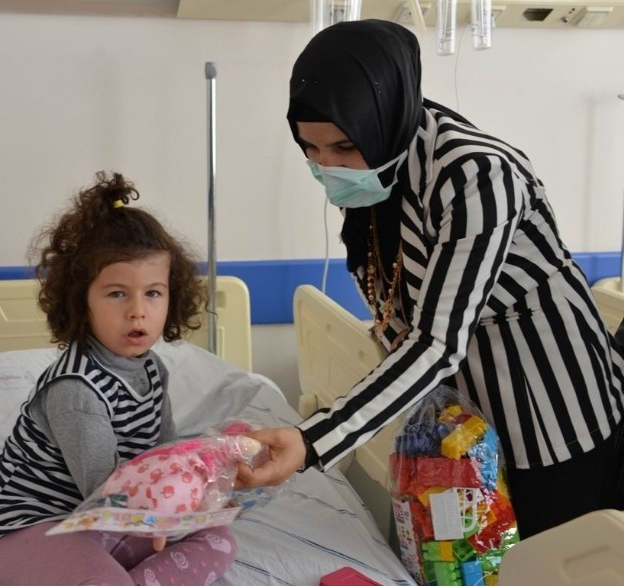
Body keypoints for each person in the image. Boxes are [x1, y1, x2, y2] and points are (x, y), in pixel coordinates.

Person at [237, 19, 624, 539]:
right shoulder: (380, 170)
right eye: (311, 148)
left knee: (543, 556)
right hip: (462, 417)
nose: (328, 167)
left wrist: (312, 440)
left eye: (344, 147)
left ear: (383, 120)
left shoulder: (477, 176)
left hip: (546, 402)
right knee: (467, 557)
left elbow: (437, 342)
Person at [0, 172, 238, 586]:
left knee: (219, 541)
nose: (138, 310)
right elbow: (104, 490)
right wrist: (168, 510)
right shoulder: (76, 389)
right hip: (29, 528)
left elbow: (164, 455)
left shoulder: (152, 370)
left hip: (102, 523)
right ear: (82, 302)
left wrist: (214, 472)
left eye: (153, 293)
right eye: (117, 293)